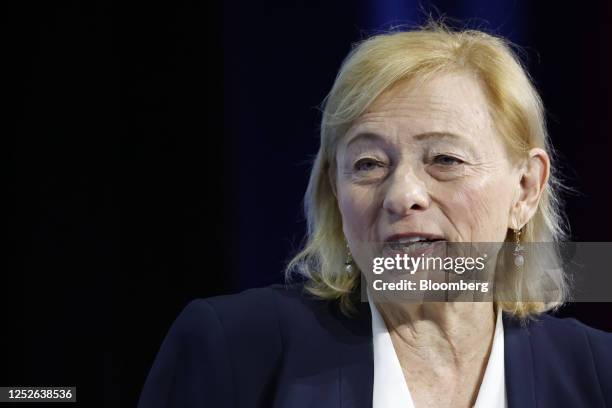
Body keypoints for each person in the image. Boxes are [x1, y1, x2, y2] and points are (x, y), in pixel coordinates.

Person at [138, 23, 612, 408]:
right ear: (334, 191)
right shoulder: (233, 351)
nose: (402, 195)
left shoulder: (597, 372)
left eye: (444, 159)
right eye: (368, 165)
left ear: (525, 188)